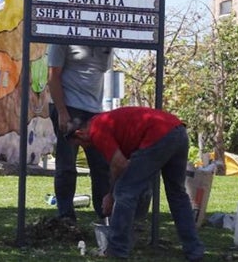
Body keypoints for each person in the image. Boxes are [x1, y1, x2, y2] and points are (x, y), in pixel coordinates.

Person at [66, 106, 205, 261]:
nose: (83, 148)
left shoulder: (96, 131)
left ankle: (117, 250)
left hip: (158, 136)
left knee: (124, 193)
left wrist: (111, 195)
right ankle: (194, 249)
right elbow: (126, 163)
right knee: (177, 195)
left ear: (80, 133)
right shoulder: (107, 121)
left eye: (79, 144)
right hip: (178, 131)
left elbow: (118, 164)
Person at [47, 44, 112, 223]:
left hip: (95, 110)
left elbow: (101, 72)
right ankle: (66, 217)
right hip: (69, 107)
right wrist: (61, 111)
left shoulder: (106, 41)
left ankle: (105, 215)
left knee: (101, 165)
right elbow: (53, 75)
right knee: (67, 164)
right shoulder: (62, 37)